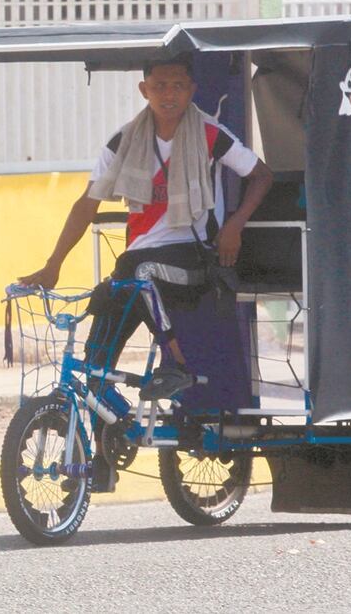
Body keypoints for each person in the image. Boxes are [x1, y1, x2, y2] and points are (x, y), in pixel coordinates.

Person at [19, 55, 273, 489]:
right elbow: (87, 204)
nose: (169, 94)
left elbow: (261, 174)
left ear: (191, 90)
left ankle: (176, 364)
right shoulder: (124, 140)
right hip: (137, 262)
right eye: (160, 86)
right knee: (93, 365)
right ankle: (106, 448)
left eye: (177, 85)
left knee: (141, 273)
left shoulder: (210, 134)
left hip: (192, 258)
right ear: (145, 91)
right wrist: (52, 264)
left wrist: (235, 225)